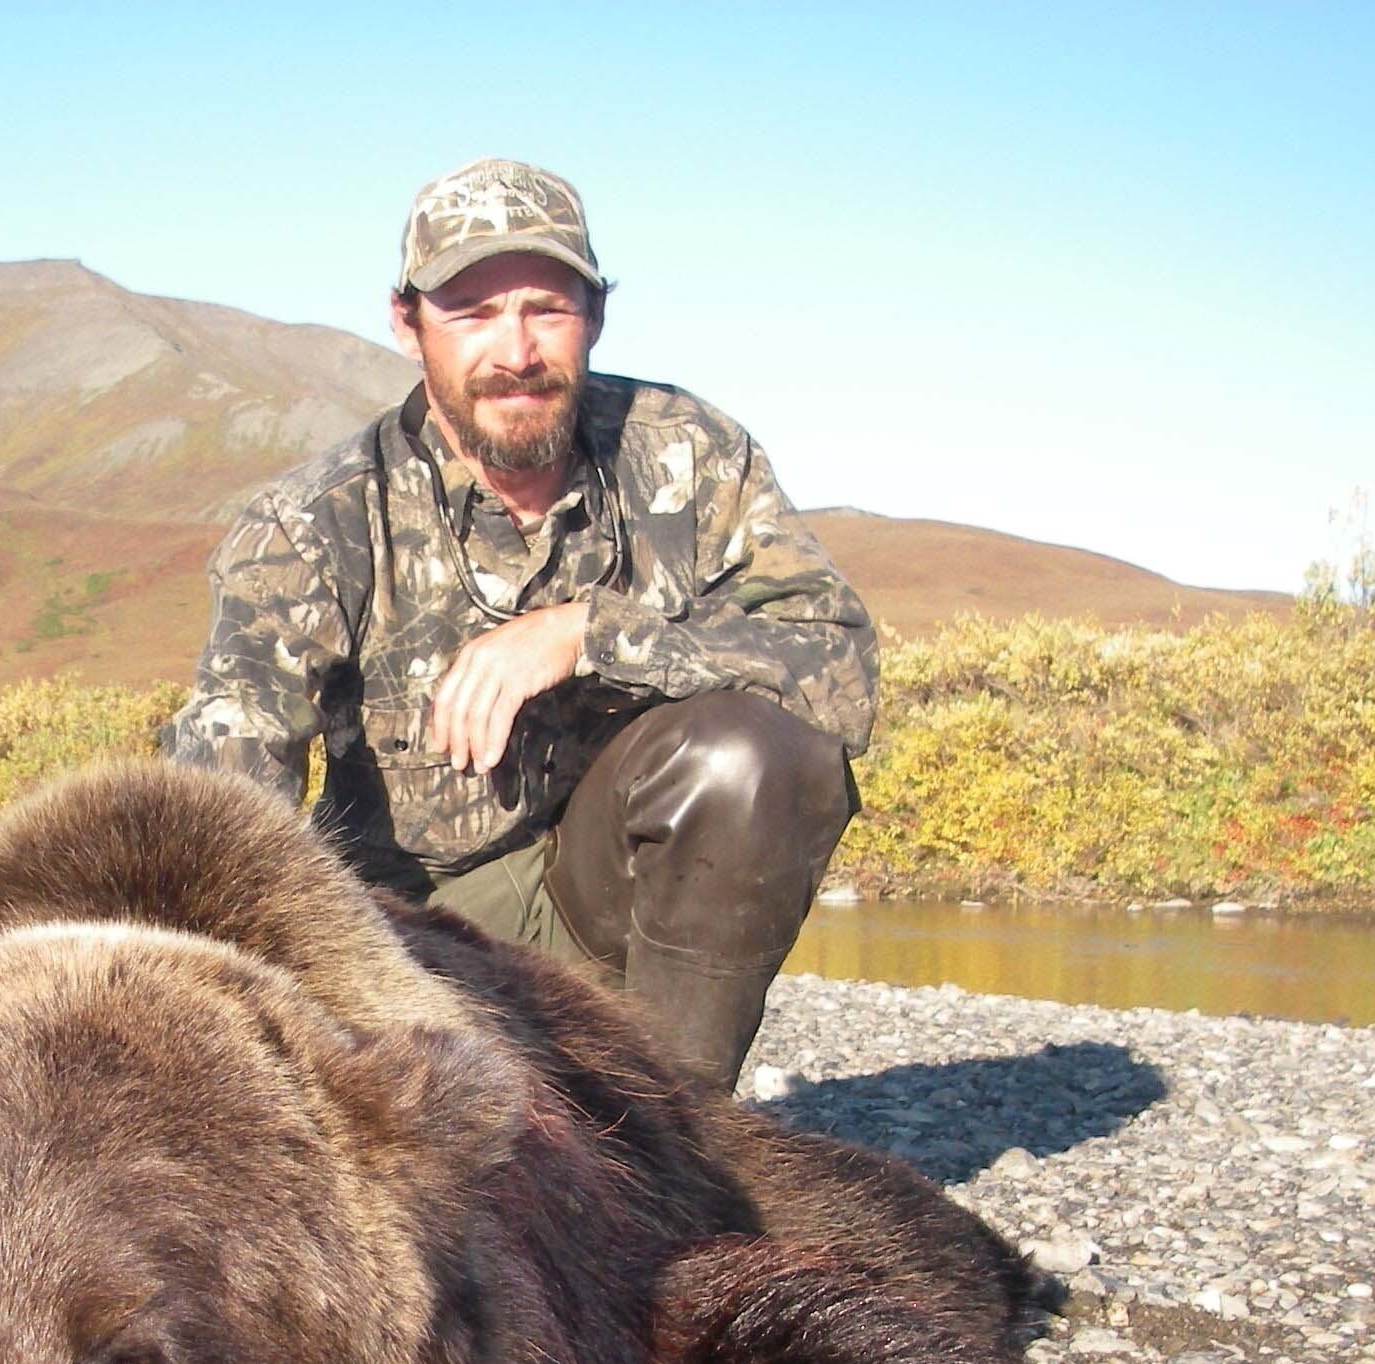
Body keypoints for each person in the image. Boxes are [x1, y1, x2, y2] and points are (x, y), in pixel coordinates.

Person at [160, 158, 878, 1091]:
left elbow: (843, 668)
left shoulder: (690, 456)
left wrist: (589, 633)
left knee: (754, 759)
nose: (515, 350)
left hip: (610, 907)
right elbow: (228, 773)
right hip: (409, 948)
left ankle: (681, 1143)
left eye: (547, 307)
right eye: (470, 312)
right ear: (406, 323)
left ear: (597, 315)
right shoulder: (311, 523)